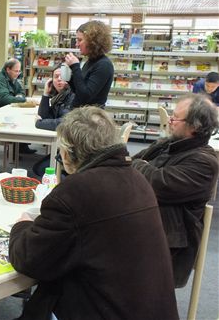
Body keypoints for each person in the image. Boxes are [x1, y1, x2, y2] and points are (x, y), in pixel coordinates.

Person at [9, 107, 178, 320]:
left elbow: (28, 258)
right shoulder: (137, 178)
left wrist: (21, 225)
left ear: (68, 153)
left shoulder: (76, 191)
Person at [132, 93, 218, 288]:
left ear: (194, 127)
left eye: (175, 118)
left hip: (165, 246)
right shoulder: (169, 144)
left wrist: (140, 166)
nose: (170, 121)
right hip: (144, 226)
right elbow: (129, 164)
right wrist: (140, 166)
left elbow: (156, 183)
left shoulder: (204, 163)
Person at [0, 59, 35, 154]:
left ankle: (21, 146)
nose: (18, 73)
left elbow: (21, 91)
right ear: (8, 69)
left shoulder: (11, 79)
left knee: (23, 118)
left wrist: (19, 96)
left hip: (6, 109)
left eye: (19, 71)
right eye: (16, 71)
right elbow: (4, 99)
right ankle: (14, 150)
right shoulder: (0, 80)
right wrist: (24, 100)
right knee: (19, 120)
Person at [33, 65, 74, 176]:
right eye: (56, 77)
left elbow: (64, 123)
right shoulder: (59, 96)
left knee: (40, 169)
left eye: (62, 76)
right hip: (66, 145)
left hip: (75, 149)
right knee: (38, 168)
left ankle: (69, 182)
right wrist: (46, 93)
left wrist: (39, 123)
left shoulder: (72, 96)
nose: (59, 79)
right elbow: (44, 115)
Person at [64, 20, 114, 108]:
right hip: (82, 114)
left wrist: (75, 67)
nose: (77, 44)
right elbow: (79, 90)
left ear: (92, 41)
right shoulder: (91, 61)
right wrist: (69, 76)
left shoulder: (104, 65)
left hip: (89, 117)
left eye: (80, 40)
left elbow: (85, 96)